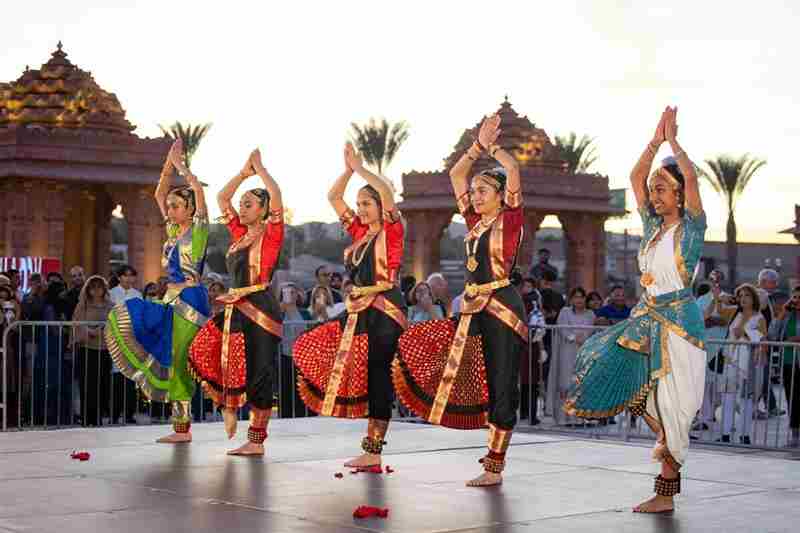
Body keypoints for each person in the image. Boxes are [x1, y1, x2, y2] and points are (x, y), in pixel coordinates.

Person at [565, 107, 707, 513]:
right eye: (655, 189)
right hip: (646, 322)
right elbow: (632, 178)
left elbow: (693, 177)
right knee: (647, 400)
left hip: (680, 328)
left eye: (662, 188)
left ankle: (665, 496)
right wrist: (653, 142)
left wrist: (674, 145)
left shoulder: (691, 228)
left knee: (675, 410)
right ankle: (665, 487)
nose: (655, 194)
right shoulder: (652, 227)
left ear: (680, 194)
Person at [394, 113, 527, 487]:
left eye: (483, 191)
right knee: (454, 365)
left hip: (501, 306)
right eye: (474, 191)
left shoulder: (511, 219)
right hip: (472, 308)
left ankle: (494, 466)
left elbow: (513, 167)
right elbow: (456, 175)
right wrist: (476, 147)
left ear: (502, 197)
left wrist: (493, 147)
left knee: (502, 384)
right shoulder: (474, 223)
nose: (474, 195)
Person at [293, 142, 407, 468]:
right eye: (359, 204)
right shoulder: (358, 232)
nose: (361, 209)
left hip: (385, 309)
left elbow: (386, 191)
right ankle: (369, 444)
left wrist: (361, 169)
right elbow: (333, 197)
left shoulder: (392, 230)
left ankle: (373, 450)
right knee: (324, 351)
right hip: (359, 310)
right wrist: (347, 170)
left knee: (378, 374)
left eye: (367, 203)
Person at [105, 139, 210, 443]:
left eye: (177, 205)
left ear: (190, 210)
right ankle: (180, 427)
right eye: (171, 206)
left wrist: (182, 169)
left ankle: (183, 429)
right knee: (164, 351)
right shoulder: (174, 233)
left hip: (190, 300)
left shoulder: (198, 232)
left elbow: (201, 195)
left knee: (178, 360)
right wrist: (168, 162)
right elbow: (158, 193)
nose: (171, 208)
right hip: (170, 298)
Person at [189, 148, 285, 456]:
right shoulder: (239, 234)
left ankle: (256, 440)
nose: (241, 209)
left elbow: (277, 195)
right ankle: (227, 406)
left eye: (249, 204)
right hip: (235, 306)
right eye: (241, 204)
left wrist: (263, 170)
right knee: (211, 350)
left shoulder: (270, 235)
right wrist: (244, 174)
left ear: (264, 209)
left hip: (260, 309)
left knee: (259, 372)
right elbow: (221, 198)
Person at [713, 284, 766, 445]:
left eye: (747, 296)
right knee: (727, 398)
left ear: (754, 298)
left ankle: (745, 434)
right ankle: (726, 433)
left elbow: (763, 339)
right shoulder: (734, 312)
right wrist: (717, 297)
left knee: (746, 400)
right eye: (741, 295)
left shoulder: (760, 318)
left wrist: (744, 333)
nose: (743, 299)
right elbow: (720, 311)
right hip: (730, 362)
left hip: (748, 363)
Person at [548, 287, 595, 425]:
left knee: (580, 384)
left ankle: (578, 418)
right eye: (576, 297)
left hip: (583, 352)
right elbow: (562, 328)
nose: (579, 300)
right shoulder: (565, 312)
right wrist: (573, 337)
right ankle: (563, 417)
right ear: (571, 299)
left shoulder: (590, 314)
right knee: (565, 383)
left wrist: (583, 338)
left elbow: (590, 331)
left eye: (581, 297)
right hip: (566, 351)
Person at [72, 275, 114, 426]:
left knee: (102, 384)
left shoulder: (110, 306)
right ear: (88, 289)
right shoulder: (82, 305)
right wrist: (88, 331)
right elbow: (76, 323)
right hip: (87, 349)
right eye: (93, 287)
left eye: (99, 287)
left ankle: (98, 419)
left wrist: (102, 332)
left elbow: (114, 324)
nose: (96, 290)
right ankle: (86, 418)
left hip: (104, 349)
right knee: (87, 384)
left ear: (104, 289)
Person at [768, 285, 800, 447]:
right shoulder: (787, 315)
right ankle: (795, 433)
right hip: (788, 362)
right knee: (792, 397)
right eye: (794, 297)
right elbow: (773, 334)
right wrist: (781, 315)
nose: (796, 300)